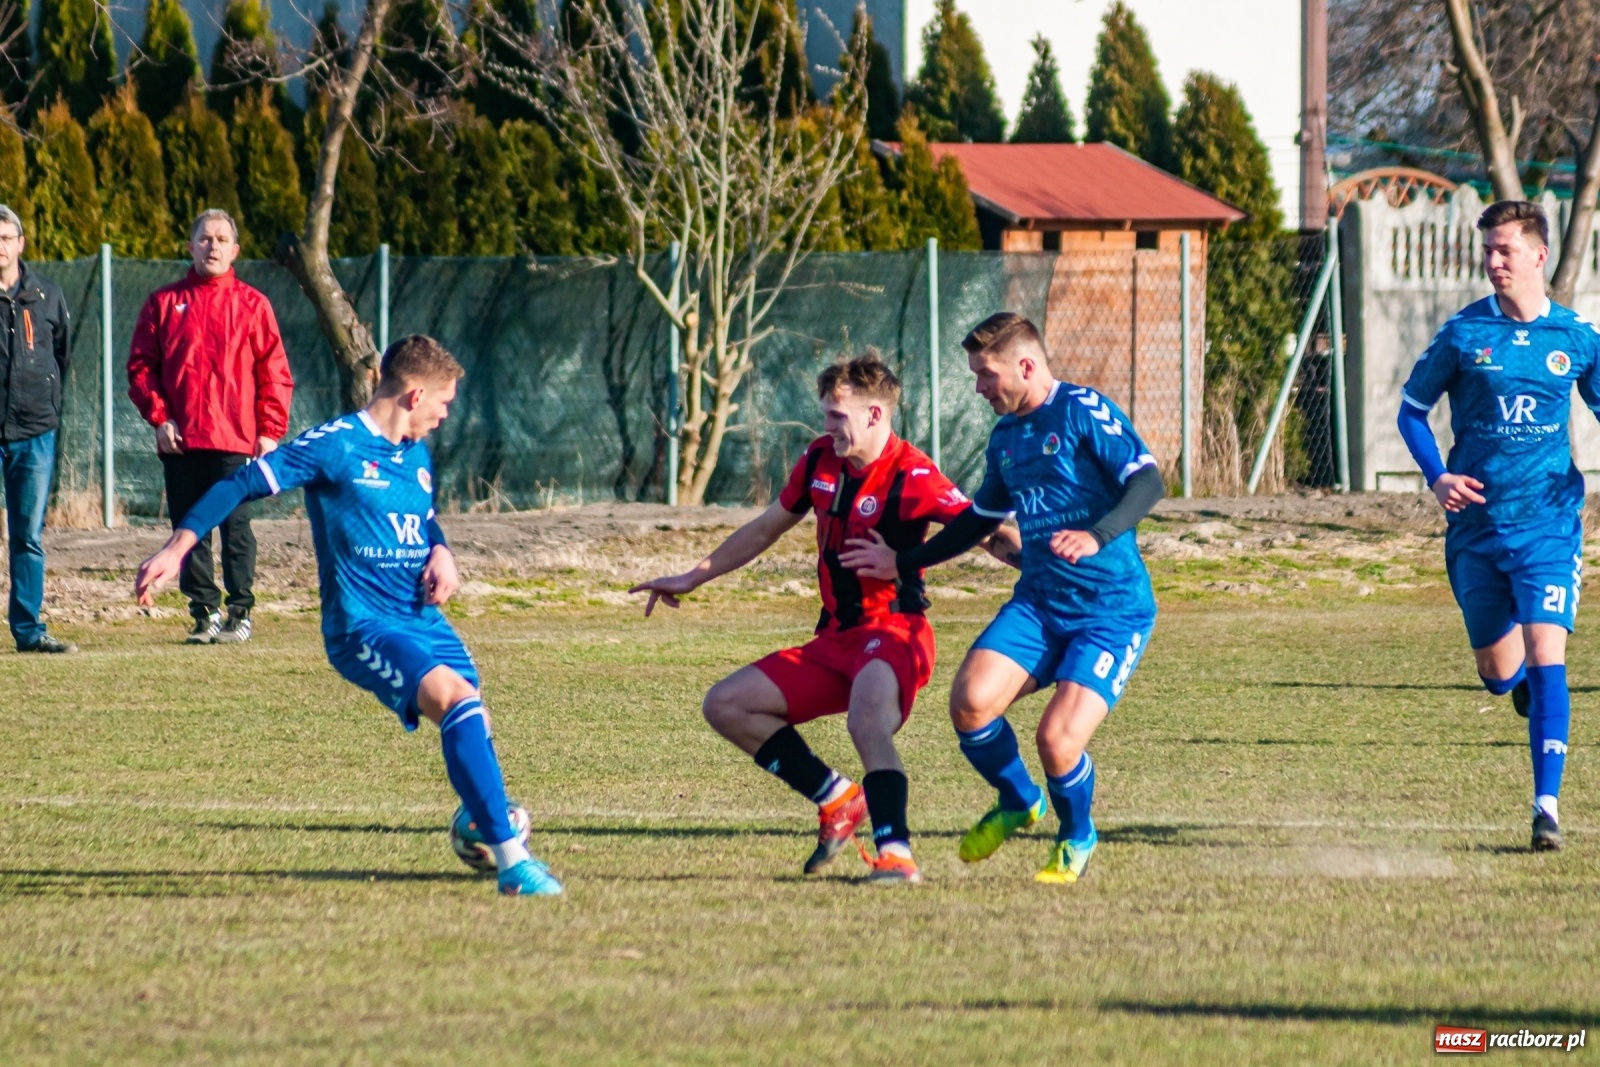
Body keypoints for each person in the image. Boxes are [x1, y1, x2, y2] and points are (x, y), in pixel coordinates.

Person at [135, 335, 562, 897]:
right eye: (444, 401)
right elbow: (241, 482)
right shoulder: (333, 447)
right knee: (457, 703)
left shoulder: (416, 451)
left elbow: (424, 515)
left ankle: (481, 818)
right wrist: (178, 546)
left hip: (422, 618)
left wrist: (441, 549)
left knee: (471, 716)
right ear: (413, 395)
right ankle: (513, 863)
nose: (445, 414)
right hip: (364, 627)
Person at [630, 352, 1016, 884]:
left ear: (875, 416)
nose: (828, 427)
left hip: (895, 633)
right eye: (826, 416)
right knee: (725, 704)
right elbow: (766, 527)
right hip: (835, 638)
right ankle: (836, 798)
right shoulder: (819, 459)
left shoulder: (914, 474)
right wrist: (692, 576)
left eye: (838, 417)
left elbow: (989, 532)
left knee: (867, 723)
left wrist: (1049, 560)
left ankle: (896, 853)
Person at [841, 312, 1164, 884]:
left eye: (986, 375)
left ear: (1025, 365)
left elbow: (1147, 481)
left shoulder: (1083, 410)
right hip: (1039, 604)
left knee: (1056, 740)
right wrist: (903, 561)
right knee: (969, 703)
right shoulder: (1007, 438)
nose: (979, 387)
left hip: (1110, 613)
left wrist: (1096, 535)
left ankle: (1076, 835)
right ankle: (1018, 800)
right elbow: (977, 522)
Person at [1397, 199, 1600, 853]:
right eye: (1487, 250)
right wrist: (1437, 476)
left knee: (1549, 655)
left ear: (1539, 255)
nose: (1493, 261)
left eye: (1505, 249)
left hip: (1549, 525)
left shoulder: (1575, 338)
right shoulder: (1462, 335)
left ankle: (1546, 808)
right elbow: (1410, 411)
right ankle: (1512, 689)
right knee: (1496, 668)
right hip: (1477, 533)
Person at [128, 208, 294, 645]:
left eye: (222, 239)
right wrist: (160, 418)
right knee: (188, 528)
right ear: (190, 246)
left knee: (236, 529)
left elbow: (274, 371)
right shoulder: (163, 304)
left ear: (235, 250)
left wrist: (269, 429)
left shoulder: (253, 304)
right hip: (181, 441)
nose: (213, 246)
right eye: (205, 239)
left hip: (236, 441)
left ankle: (240, 612)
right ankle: (205, 613)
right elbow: (142, 368)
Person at [0, 204, 74, 654]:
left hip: (33, 433)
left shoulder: (46, 295)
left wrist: (44, 404)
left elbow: (60, 354)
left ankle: (28, 631)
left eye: (6, 237)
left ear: (20, 243)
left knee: (27, 535)